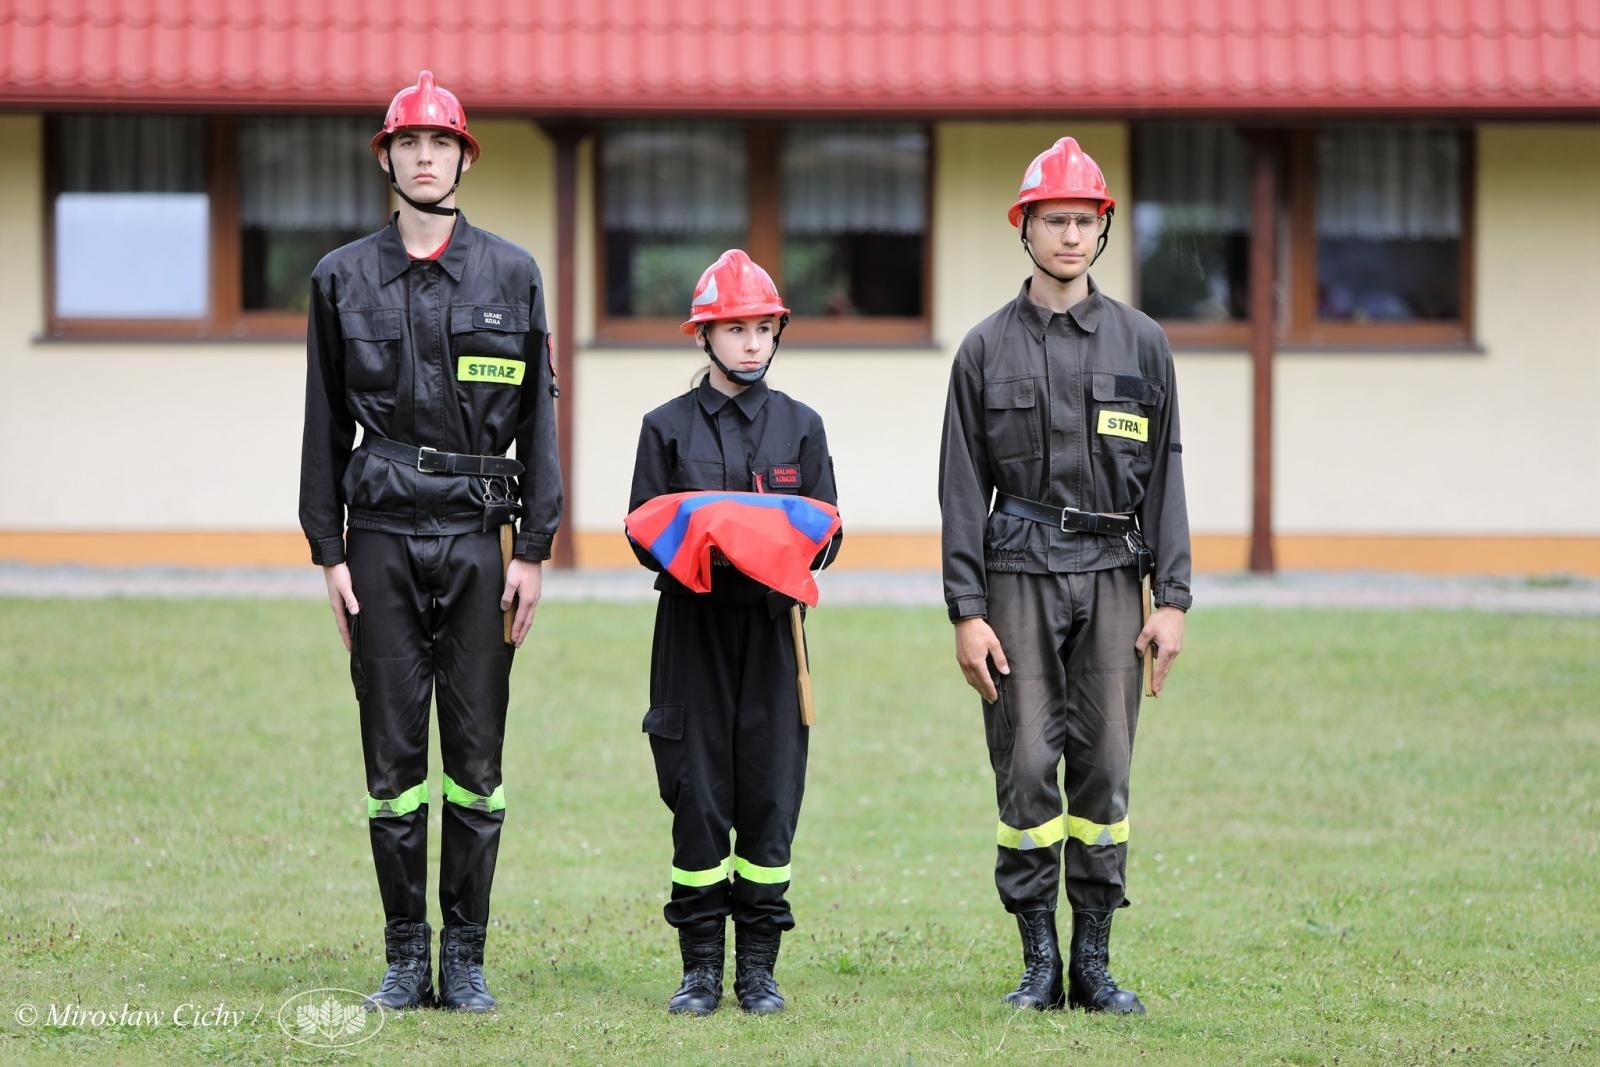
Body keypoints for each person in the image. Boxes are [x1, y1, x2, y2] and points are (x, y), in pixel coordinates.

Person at [298, 70, 561, 1013]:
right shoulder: (340, 278)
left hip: (478, 540)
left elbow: (540, 421)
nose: (423, 156)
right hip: (377, 538)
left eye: (439, 142)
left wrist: (533, 547)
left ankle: (468, 959)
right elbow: (323, 422)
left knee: (478, 761)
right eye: (407, 142)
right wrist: (328, 553)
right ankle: (406, 957)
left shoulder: (512, 275)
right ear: (387, 157)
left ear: (462, 159)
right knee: (392, 763)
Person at [938, 136, 1191, 1014]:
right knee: (1025, 764)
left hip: (1116, 576)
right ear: (1026, 227)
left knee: (1105, 768)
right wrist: (966, 610)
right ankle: (1038, 960)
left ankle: (1093, 959)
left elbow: (1167, 476)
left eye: (1085, 220)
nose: (1071, 235)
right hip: (1017, 573)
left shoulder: (1143, 344)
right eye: (1055, 220)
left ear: (1103, 228)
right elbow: (961, 488)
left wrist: (1173, 598)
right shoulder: (983, 349)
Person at [627, 250, 843, 1016]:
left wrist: (768, 544)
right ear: (704, 335)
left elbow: (828, 533)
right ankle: (699, 970)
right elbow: (643, 532)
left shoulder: (802, 427)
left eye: (763, 328)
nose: (752, 343)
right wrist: (710, 539)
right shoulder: (665, 428)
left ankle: (758, 969)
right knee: (697, 794)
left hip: (774, 632)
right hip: (692, 632)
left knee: (770, 794)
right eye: (735, 329)